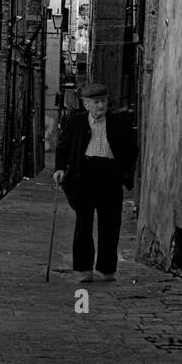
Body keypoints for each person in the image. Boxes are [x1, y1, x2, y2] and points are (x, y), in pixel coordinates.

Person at [53, 82, 138, 282]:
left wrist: (126, 174)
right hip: (84, 175)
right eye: (97, 102)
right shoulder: (76, 122)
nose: (101, 106)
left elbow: (131, 150)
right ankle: (84, 269)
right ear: (86, 104)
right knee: (84, 223)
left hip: (110, 176)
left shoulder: (119, 123)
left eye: (104, 101)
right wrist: (59, 168)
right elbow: (62, 147)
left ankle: (107, 269)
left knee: (110, 223)